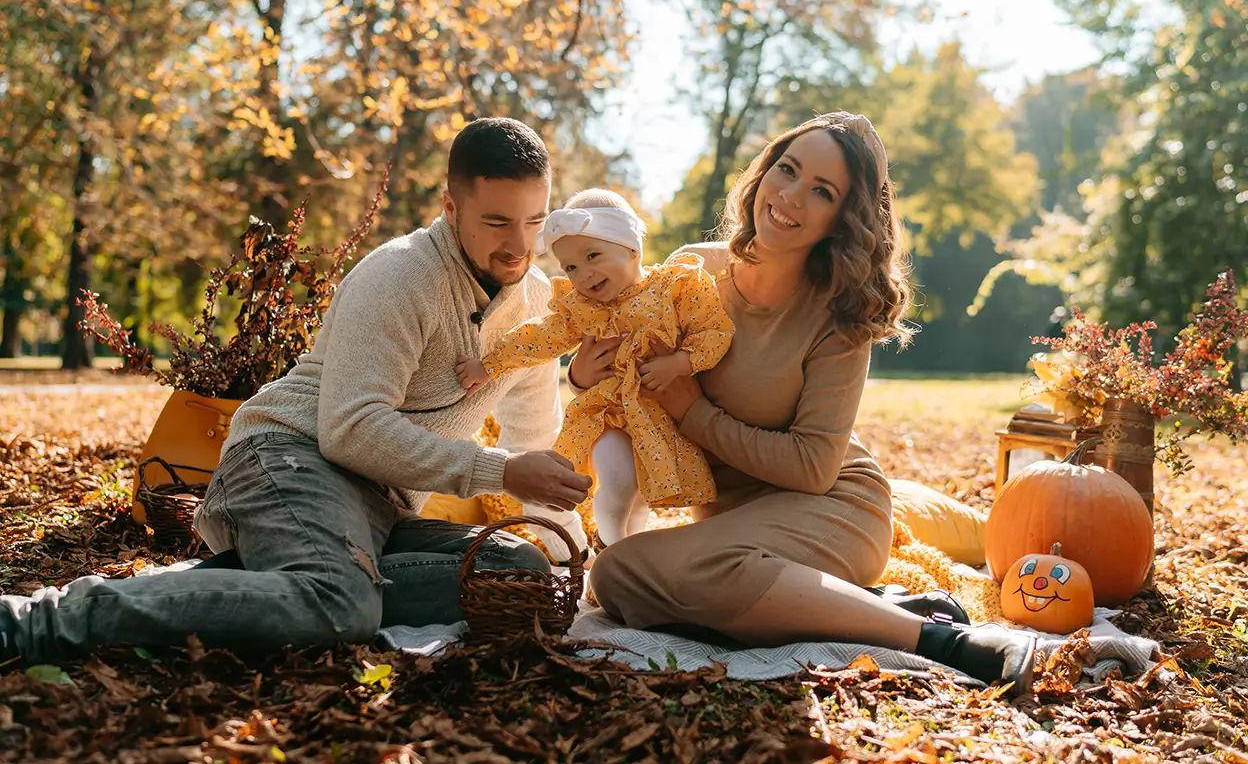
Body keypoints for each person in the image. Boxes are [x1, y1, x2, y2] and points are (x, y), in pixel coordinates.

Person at [0, 117, 593, 666]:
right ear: (451, 207)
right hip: (287, 458)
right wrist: (500, 471)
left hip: (380, 505)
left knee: (521, 576)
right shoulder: (402, 275)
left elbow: (533, 438)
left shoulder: (538, 306)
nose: (519, 245)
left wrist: (563, 539)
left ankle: (261, 586)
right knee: (340, 607)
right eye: (497, 222)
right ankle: (40, 620)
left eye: (535, 222)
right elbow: (350, 430)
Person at [570, 112, 1038, 692]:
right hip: (733, 524)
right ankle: (871, 605)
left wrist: (694, 412)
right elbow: (629, 375)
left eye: (822, 191)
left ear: (844, 219)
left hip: (833, 508)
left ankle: (945, 641)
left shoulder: (842, 315)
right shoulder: (692, 270)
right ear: (763, 173)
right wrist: (584, 378)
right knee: (621, 580)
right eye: (787, 170)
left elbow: (813, 468)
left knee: (630, 571)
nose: (791, 196)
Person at [457, 189, 735, 552]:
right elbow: (539, 337)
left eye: (592, 256)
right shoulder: (583, 309)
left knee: (641, 498)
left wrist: (680, 362)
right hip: (609, 415)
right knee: (618, 481)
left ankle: (628, 556)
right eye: (570, 267)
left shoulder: (675, 288)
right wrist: (488, 365)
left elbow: (714, 331)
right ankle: (608, 545)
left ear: (631, 248)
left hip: (661, 420)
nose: (583, 274)